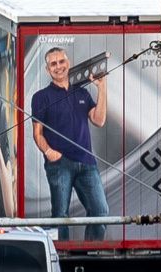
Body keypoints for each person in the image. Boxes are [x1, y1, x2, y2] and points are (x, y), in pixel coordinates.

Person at [31, 45, 111, 243]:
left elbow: (99, 120)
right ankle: (61, 259)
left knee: (100, 211)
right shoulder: (41, 97)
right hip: (60, 164)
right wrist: (49, 151)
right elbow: (37, 133)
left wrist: (102, 88)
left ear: (69, 63)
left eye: (61, 62)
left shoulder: (82, 93)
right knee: (60, 215)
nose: (58, 67)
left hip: (87, 162)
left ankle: (90, 256)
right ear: (47, 70)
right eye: (53, 64)